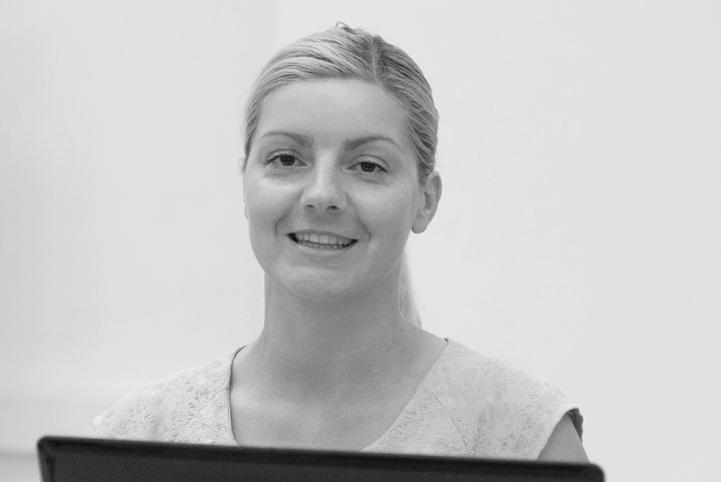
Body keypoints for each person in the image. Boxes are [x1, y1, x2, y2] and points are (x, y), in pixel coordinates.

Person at [94, 24, 587, 462]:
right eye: (286, 159)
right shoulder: (144, 434)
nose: (322, 195)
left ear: (426, 201)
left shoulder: (520, 436)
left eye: (368, 166)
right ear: (245, 183)